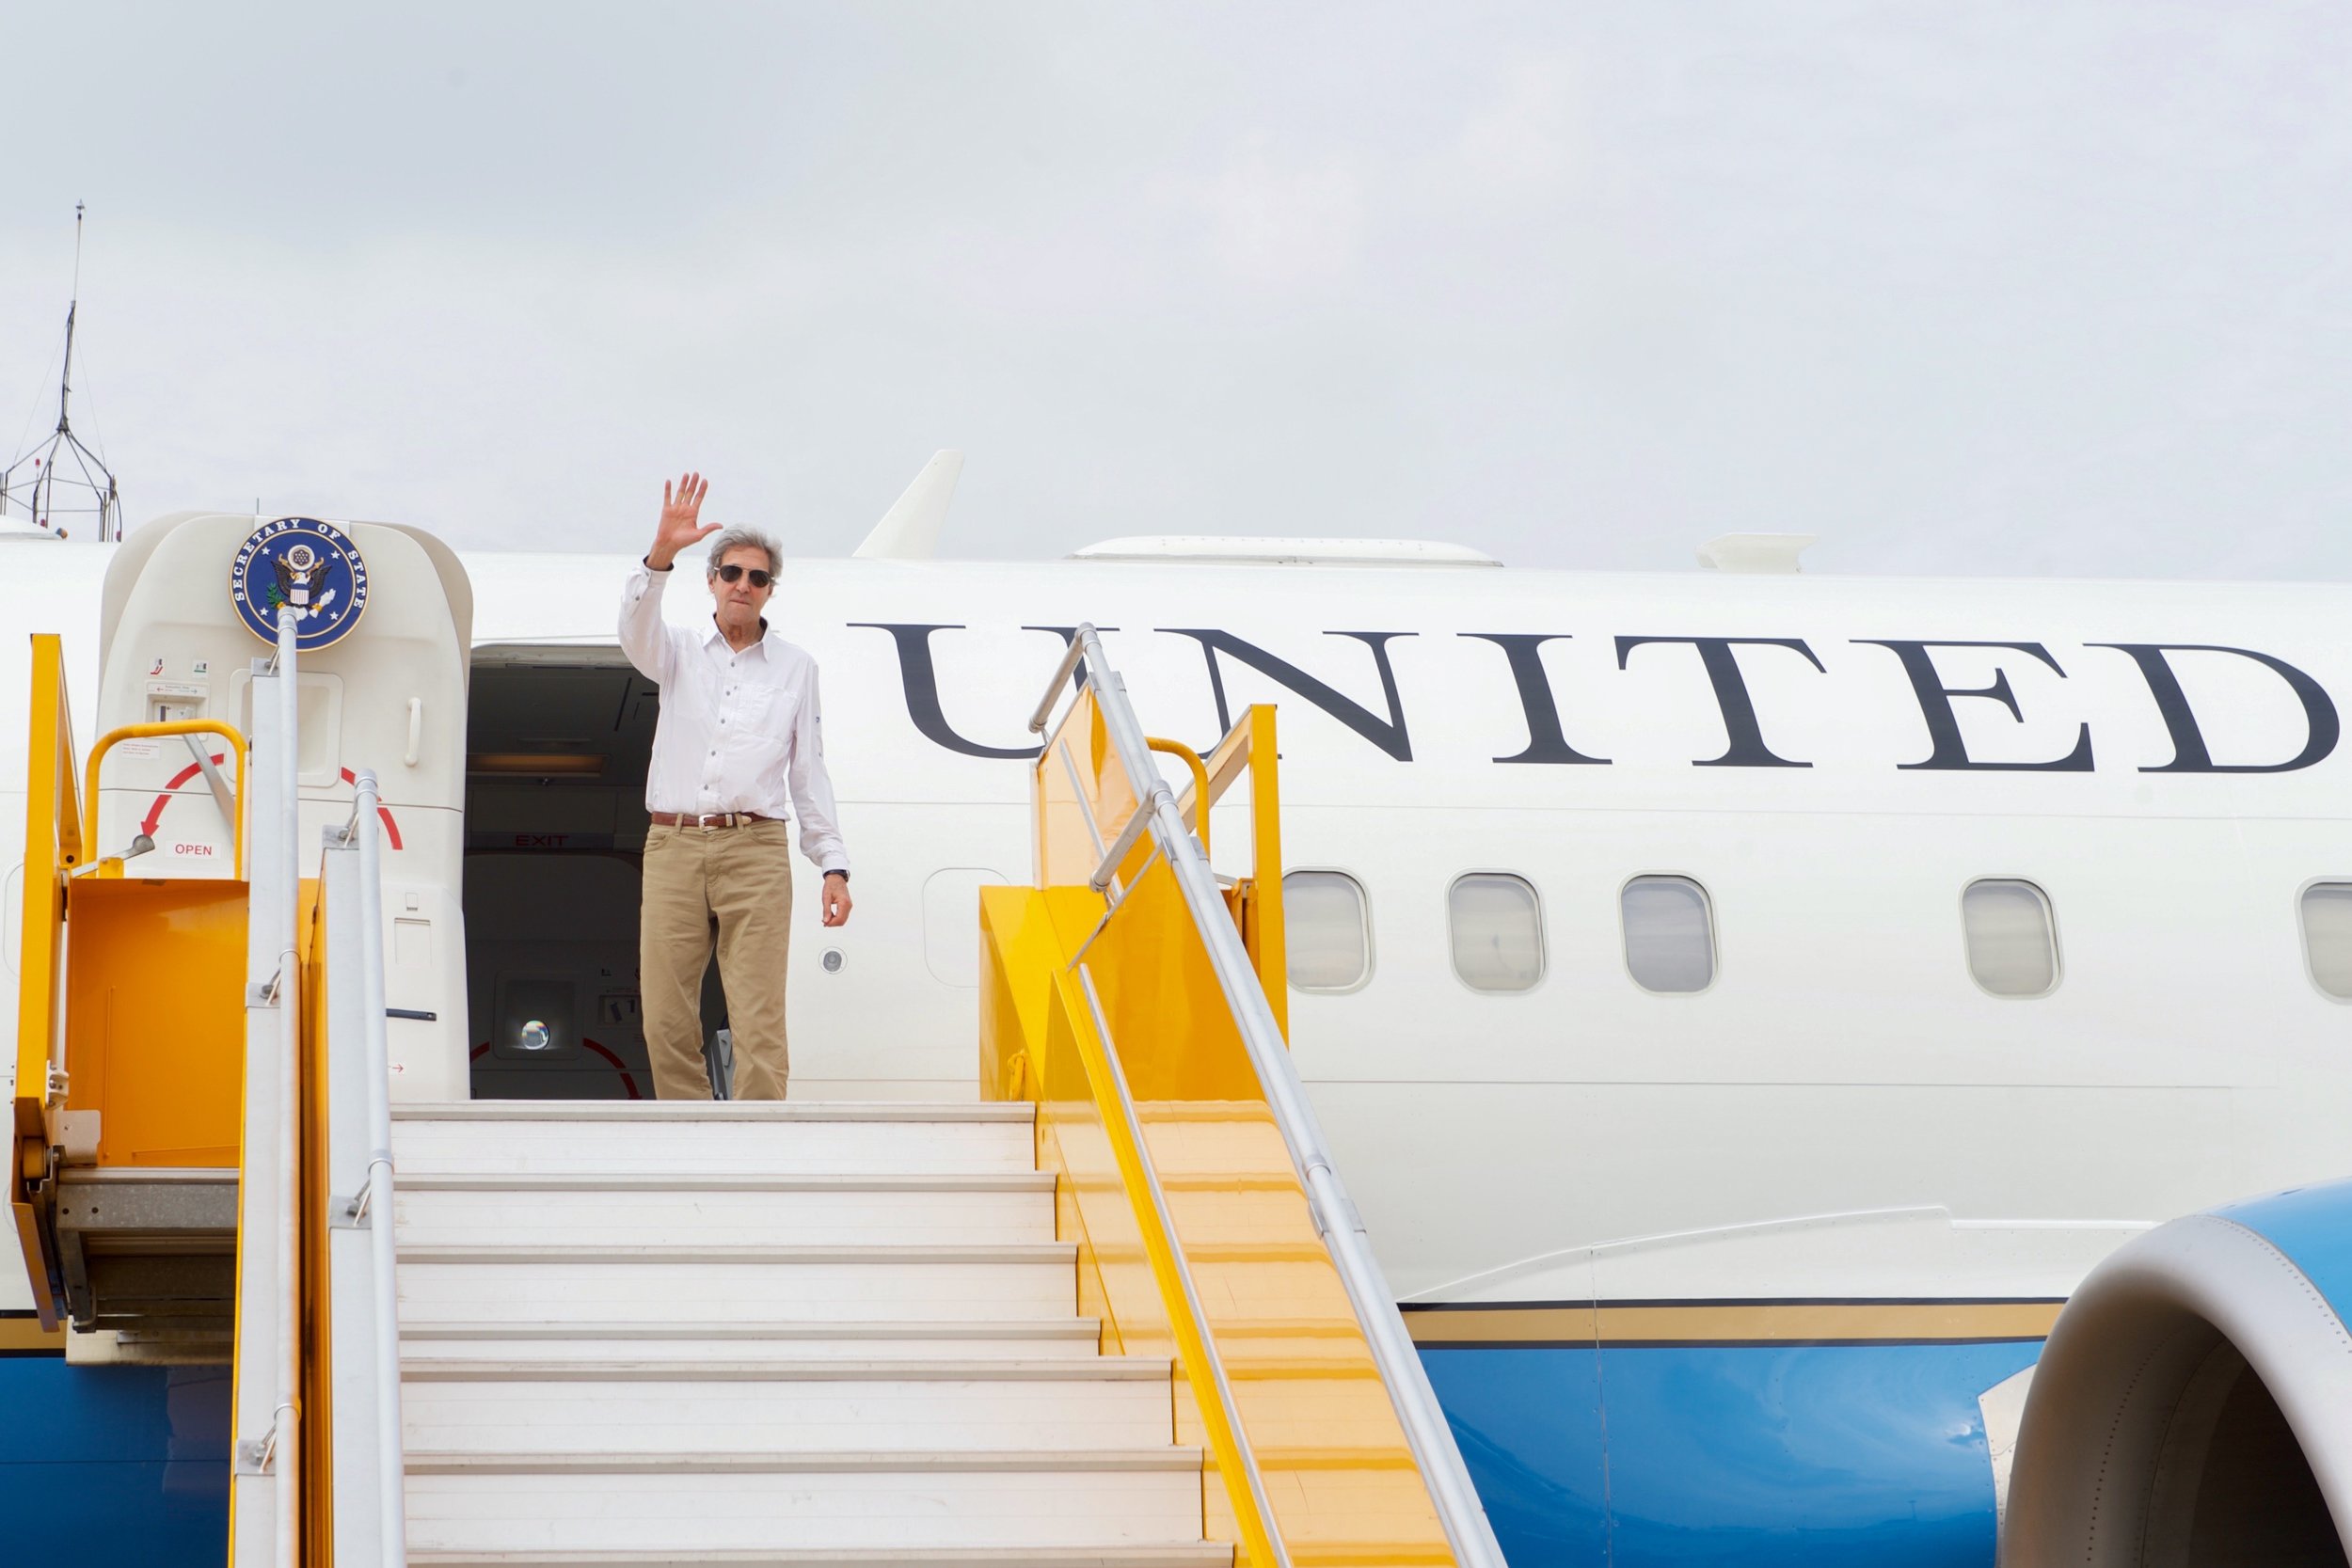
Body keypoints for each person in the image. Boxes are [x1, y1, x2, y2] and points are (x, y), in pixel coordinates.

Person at [617, 471, 851, 1100]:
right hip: (674, 844)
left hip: (756, 848)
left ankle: (759, 1146)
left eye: (757, 577)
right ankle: (690, 1137)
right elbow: (633, 632)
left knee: (759, 1017)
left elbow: (808, 770)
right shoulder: (677, 652)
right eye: (732, 572)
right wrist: (660, 555)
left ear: (770, 590)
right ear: (712, 580)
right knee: (665, 1014)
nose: (743, 585)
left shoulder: (797, 669)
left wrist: (833, 864)